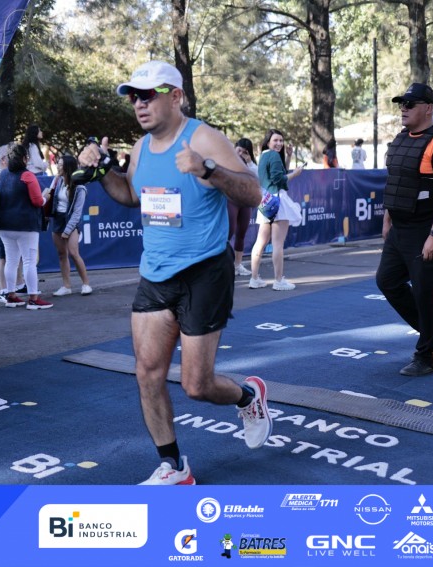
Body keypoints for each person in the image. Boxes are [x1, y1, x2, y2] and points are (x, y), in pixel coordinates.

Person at [78, 60, 272, 485]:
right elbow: (131, 194)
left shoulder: (203, 138)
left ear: (176, 96)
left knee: (197, 385)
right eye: (134, 97)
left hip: (205, 271)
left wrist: (207, 169)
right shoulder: (142, 147)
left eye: (148, 95)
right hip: (156, 273)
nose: (139, 104)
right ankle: (173, 467)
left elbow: (253, 193)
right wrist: (102, 171)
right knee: (147, 373)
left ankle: (248, 396)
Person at [376, 82, 433, 376]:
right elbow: (397, 183)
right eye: (402, 104)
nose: (404, 109)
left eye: (410, 104)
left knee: (428, 292)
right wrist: (387, 219)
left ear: (428, 108)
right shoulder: (401, 139)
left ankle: (428, 356)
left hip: (426, 228)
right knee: (387, 281)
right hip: (399, 228)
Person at [0, 143, 53, 310]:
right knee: (29, 261)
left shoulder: (2, 175)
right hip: (25, 225)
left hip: (4, 225)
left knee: (11, 261)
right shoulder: (27, 176)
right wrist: (46, 197)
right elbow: (37, 201)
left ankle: (11, 295)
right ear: (25, 159)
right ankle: (33, 298)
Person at [249, 128, 303, 291]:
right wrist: (295, 173)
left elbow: (278, 174)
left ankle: (254, 278)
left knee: (260, 242)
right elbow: (279, 179)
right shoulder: (273, 155)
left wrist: (288, 157)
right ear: (268, 142)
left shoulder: (264, 155)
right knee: (277, 244)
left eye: (281, 140)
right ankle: (278, 280)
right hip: (278, 200)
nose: (279, 143)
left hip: (265, 200)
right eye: (276, 140)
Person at [0, 144, 26, 301]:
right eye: (11, 156)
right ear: (4, 159)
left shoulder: (4, 174)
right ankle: (3, 290)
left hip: (8, 221)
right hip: (3, 222)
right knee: (3, 256)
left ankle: (19, 284)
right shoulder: (0, 175)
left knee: (16, 255)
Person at [50, 155, 92, 296]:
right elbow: (51, 198)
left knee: (74, 253)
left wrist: (67, 230)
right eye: (58, 163)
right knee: (62, 254)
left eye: (60, 164)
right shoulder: (57, 180)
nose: (58, 166)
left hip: (71, 221)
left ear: (68, 167)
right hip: (57, 219)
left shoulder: (80, 188)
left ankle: (86, 284)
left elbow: (77, 213)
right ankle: (66, 286)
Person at [228, 138, 257, 276]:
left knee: (241, 233)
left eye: (244, 152)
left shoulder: (250, 164)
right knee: (229, 232)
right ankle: (224, 265)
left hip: (245, 201)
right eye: (239, 150)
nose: (240, 154)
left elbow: (257, 178)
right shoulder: (227, 159)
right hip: (231, 200)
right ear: (235, 148)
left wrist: (249, 161)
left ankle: (237, 265)